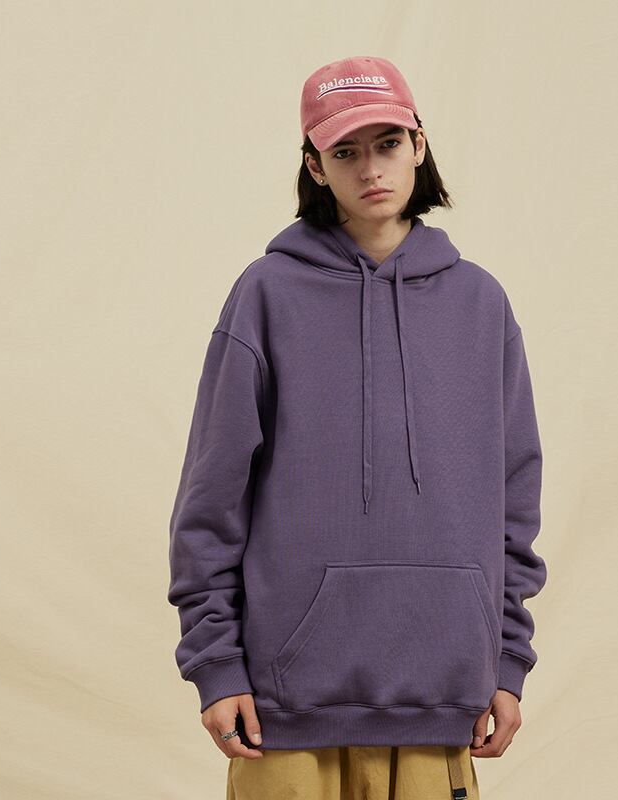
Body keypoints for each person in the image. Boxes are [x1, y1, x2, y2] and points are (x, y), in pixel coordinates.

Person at [167, 55, 548, 800]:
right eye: (344, 151)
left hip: (444, 697)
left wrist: (508, 662)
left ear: (418, 145)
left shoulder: (482, 304)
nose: (370, 168)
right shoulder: (266, 295)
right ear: (315, 166)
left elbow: (515, 499)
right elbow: (211, 497)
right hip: (286, 707)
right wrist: (215, 665)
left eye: (387, 143)